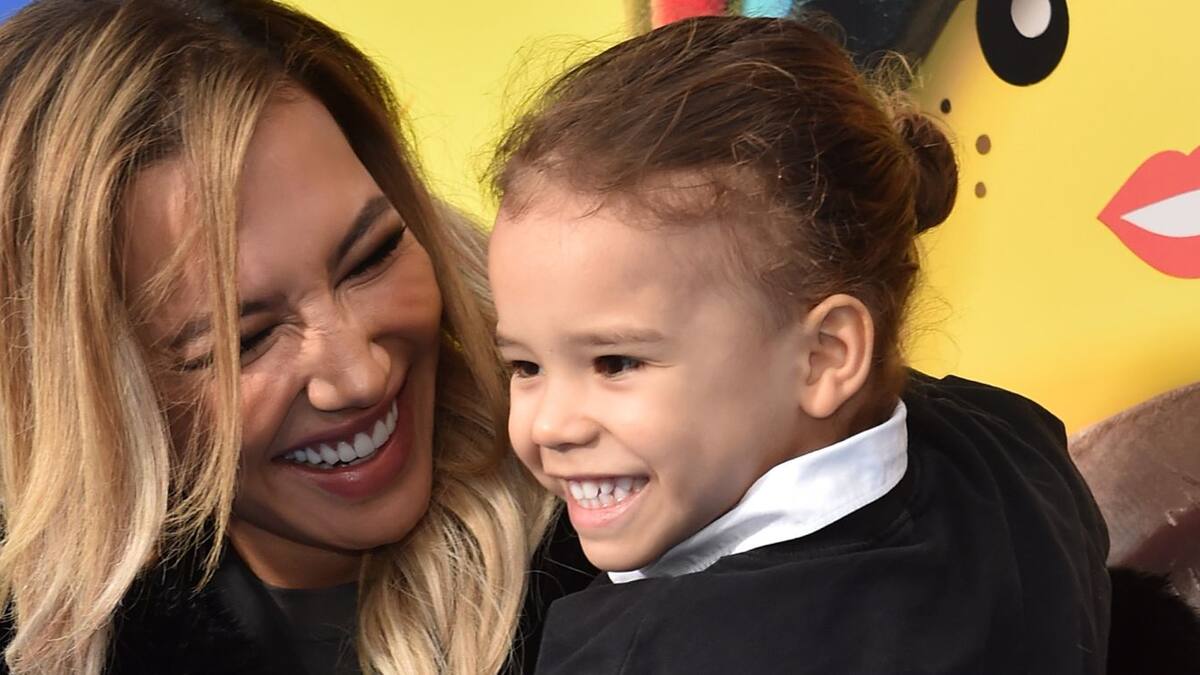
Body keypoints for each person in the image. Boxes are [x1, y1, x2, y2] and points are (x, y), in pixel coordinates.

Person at [487, 15, 1110, 673]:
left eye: (616, 362)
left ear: (825, 357)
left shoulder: (651, 653)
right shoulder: (1014, 442)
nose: (550, 426)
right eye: (525, 366)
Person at [0, 1, 592, 673]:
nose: (359, 375)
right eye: (245, 340)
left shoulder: (633, 527)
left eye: (372, 256)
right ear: (91, 397)